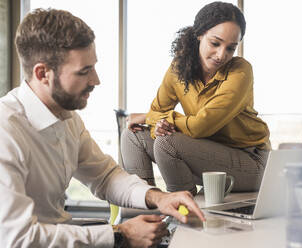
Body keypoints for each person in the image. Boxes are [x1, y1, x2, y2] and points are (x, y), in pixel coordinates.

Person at [0, 8, 205, 248]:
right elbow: (15, 239)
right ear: (43, 73)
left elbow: (105, 177)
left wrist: (159, 198)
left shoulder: (68, 119)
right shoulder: (6, 131)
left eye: (93, 67)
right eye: (84, 71)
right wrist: (120, 235)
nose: (96, 80)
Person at [121, 1, 271, 196]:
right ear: (199, 34)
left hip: (252, 161)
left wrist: (156, 119)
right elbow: (157, 111)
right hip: (206, 153)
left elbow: (202, 126)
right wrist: (155, 121)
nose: (221, 55)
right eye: (215, 43)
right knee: (132, 136)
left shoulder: (240, 71)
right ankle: (146, 211)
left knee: (168, 142)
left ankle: (184, 214)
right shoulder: (178, 68)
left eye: (230, 48)